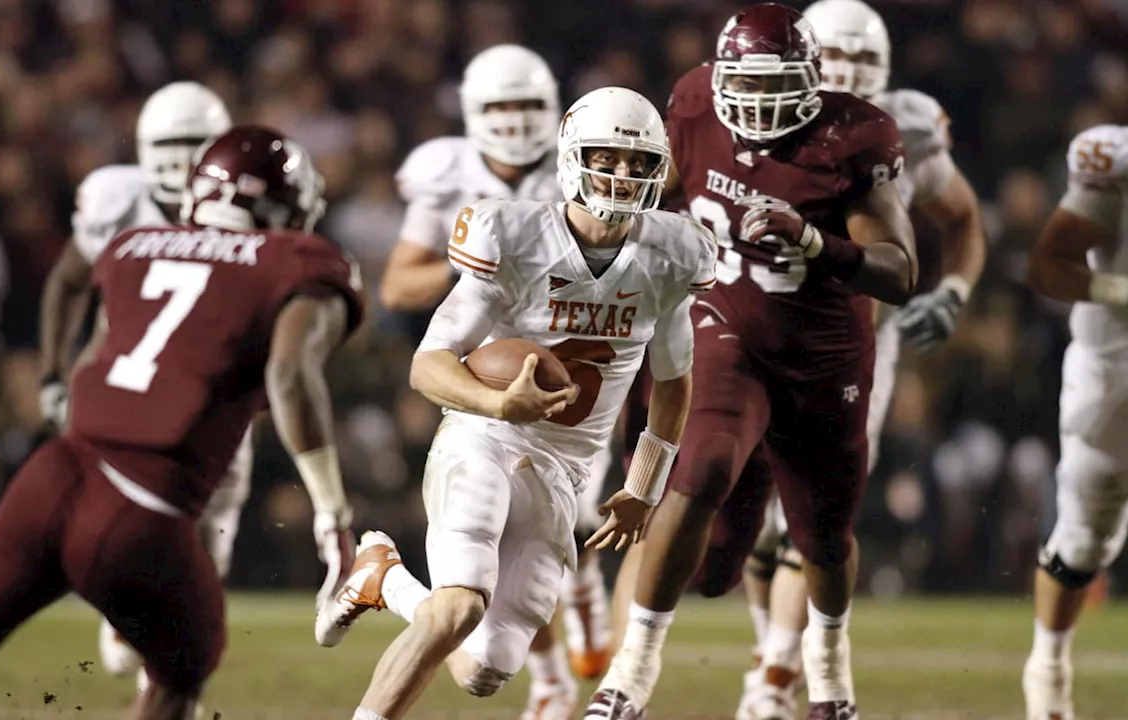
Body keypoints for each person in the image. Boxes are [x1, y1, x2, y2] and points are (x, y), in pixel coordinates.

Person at [0, 126, 364, 720]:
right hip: (140, 511)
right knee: (184, 669)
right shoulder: (296, 261)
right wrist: (332, 513)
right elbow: (291, 376)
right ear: (284, 205)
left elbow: (98, 351)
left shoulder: (134, 245)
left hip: (51, 477)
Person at [317, 86, 717, 720]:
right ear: (571, 157)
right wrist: (496, 405)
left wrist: (644, 486)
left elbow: (673, 380)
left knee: (483, 670)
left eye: (638, 163)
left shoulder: (673, 254)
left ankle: (382, 576)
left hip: (568, 467)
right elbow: (429, 364)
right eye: (606, 158)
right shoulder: (515, 234)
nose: (621, 175)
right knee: (458, 606)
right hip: (485, 437)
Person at [584, 5, 916, 719]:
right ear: (721, 77)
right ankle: (630, 676)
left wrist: (820, 245)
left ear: (811, 80)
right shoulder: (695, 103)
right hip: (726, 323)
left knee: (823, 539)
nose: (760, 105)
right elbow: (660, 195)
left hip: (826, 354)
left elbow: (899, 270)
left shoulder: (851, 136)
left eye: (777, 88)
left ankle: (829, 676)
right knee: (699, 467)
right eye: (748, 86)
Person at [37, 82, 357, 686]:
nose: (182, 160)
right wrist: (53, 372)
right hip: (128, 392)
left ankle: (158, 662)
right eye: (169, 145)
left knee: (208, 545)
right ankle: (133, 611)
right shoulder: (121, 203)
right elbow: (67, 281)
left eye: (194, 145)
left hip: (209, 396)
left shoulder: (239, 203)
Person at [730, 1, 988, 716]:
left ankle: (777, 679)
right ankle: (769, 661)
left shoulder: (902, 124)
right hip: (753, 330)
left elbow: (963, 213)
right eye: (832, 60)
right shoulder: (744, 112)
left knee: (811, 513)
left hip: (854, 338)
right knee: (750, 508)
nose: (844, 77)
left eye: (859, 64)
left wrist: (957, 289)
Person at [379, 43, 615, 717]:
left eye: (527, 105)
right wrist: (492, 265)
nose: (514, 120)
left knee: (571, 517)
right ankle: (547, 677)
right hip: (488, 373)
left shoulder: (581, 163)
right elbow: (398, 284)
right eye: (501, 106)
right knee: (507, 537)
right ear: (474, 112)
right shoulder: (446, 170)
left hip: (575, 361)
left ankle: (582, 585)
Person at [1023, 122, 1128, 720]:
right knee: (1088, 536)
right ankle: (1050, 666)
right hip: (1116, 372)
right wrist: (1122, 289)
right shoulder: (1113, 161)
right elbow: (1048, 264)